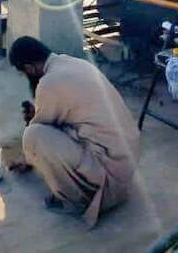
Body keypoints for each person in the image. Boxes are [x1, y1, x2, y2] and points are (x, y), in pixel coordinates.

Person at [8, 36, 140, 228]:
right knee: (42, 131)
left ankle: (74, 200)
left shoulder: (49, 82)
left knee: (33, 137)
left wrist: (26, 158)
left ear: (29, 68)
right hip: (126, 166)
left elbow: (40, 134)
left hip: (110, 176)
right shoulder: (74, 63)